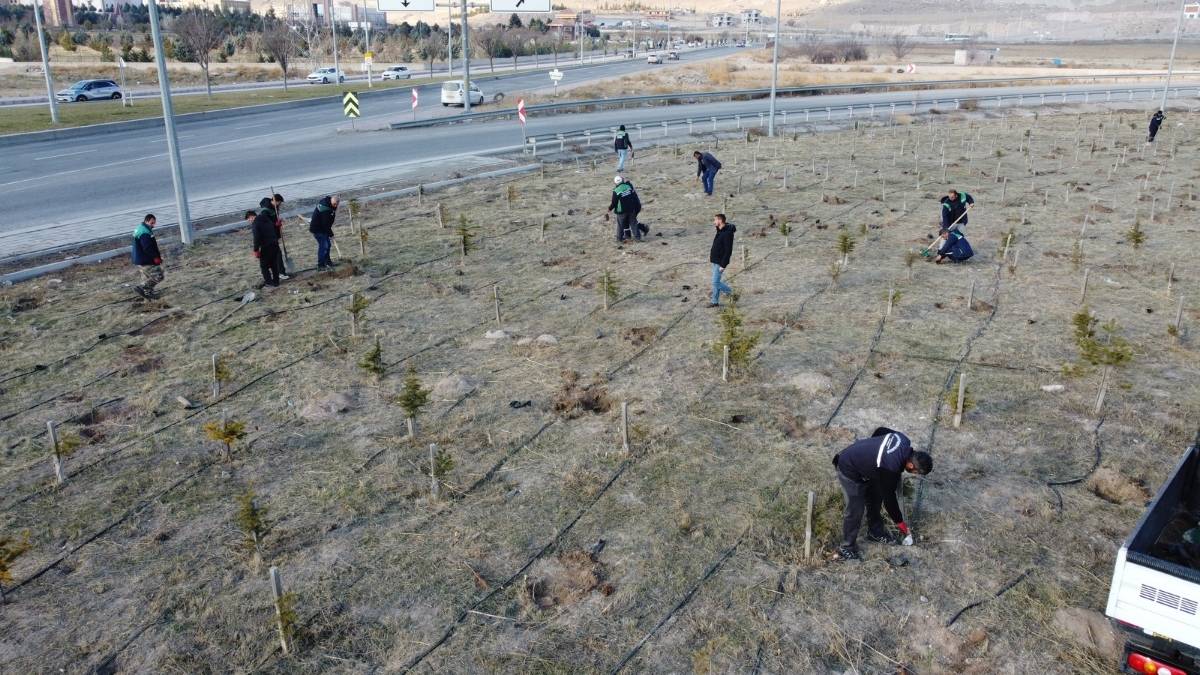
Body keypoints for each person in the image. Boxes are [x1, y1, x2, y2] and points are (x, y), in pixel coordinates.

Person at [832, 427, 933, 561]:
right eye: (917, 472)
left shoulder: (903, 440)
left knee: (876, 493)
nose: (915, 475)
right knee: (855, 508)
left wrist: (873, 456)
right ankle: (847, 547)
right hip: (848, 467)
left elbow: (880, 431)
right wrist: (901, 524)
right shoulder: (891, 467)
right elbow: (889, 500)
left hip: (864, 462)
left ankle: (874, 531)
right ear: (910, 466)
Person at [131, 213, 163, 299]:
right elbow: (147, 248)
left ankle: (148, 294)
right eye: (152, 223)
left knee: (146, 277)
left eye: (154, 223)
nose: (153, 225)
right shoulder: (145, 232)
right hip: (146, 259)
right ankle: (141, 288)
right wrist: (156, 257)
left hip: (138, 258)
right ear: (146, 221)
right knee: (158, 276)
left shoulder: (140, 228)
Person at [708, 213, 736, 307]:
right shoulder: (720, 230)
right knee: (716, 283)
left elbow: (728, 251)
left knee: (715, 282)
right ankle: (714, 302)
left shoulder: (727, 233)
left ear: (720, 221)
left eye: (715, 220)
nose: (714, 222)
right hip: (715, 260)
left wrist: (723, 265)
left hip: (720, 262)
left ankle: (732, 294)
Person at [252, 205, 283, 287]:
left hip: (266, 246)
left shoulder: (255, 223)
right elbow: (275, 227)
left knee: (264, 266)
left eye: (248, 219)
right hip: (275, 243)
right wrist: (277, 225)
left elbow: (257, 237)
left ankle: (269, 283)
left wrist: (256, 249)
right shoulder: (267, 219)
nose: (249, 221)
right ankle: (276, 281)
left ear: (251, 217)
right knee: (274, 264)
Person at [608, 175, 644, 244]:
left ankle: (619, 239)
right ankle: (638, 238)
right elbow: (633, 196)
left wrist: (609, 209)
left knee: (620, 225)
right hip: (631, 209)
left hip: (621, 212)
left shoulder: (616, 191)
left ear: (615, 183)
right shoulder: (628, 187)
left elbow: (614, 202)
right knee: (633, 223)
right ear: (622, 180)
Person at [309, 195, 339, 271]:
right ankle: (321, 265)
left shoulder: (329, 204)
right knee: (324, 246)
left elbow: (327, 223)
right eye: (334, 204)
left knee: (327, 245)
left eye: (337, 204)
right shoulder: (325, 208)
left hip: (323, 229)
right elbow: (325, 224)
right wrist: (331, 235)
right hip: (318, 229)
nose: (335, 206)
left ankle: (327, 262)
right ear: (331, 201)